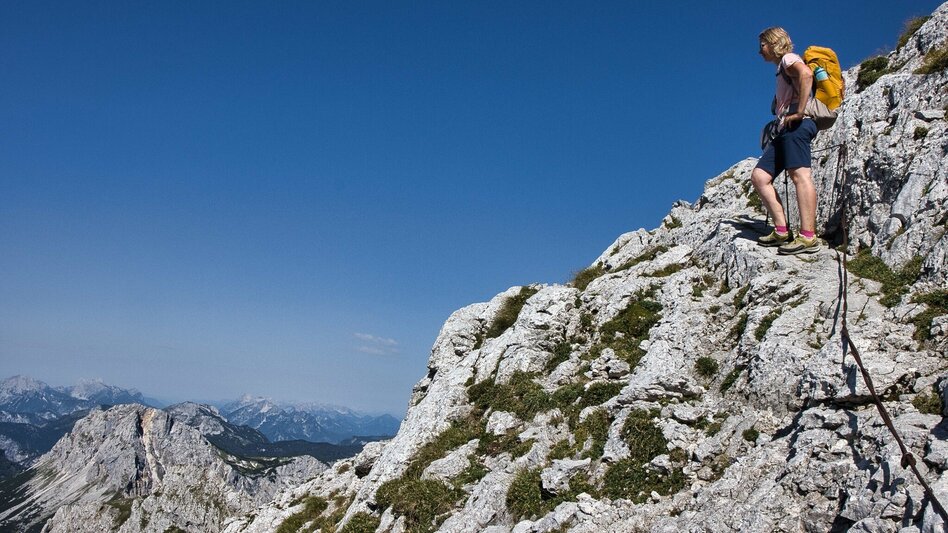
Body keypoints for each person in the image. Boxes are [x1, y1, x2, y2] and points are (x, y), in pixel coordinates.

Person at [751, 27, 820, 255]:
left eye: (763, 45)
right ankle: (782, 230)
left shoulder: (789, 59)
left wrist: (799, 112)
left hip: (797, 124)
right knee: (760, 176)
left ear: (773, 43)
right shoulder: (782, 67)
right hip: (785, 127)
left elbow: (807, 74)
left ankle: (808, 236)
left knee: (800, 175)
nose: (760, 51)